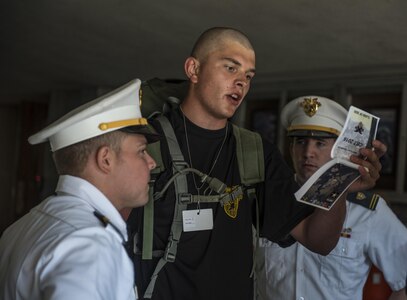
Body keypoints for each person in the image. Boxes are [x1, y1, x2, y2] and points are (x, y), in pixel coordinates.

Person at [126, 27, 386, 300]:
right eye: (230, 68)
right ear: (193, 69)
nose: (241, 83)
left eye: (248, 76)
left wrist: (341, 184)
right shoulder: (144, 143)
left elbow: (316, 239)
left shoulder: (255, 151)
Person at [0, 79, 158, 300]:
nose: (152, 163)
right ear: (106, 160)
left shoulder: (21, 228)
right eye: (141, 151)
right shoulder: (89, 244)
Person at [255, 96, 407, 300]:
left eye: (320, 143)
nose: (308, 152)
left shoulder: (367, 212)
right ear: (291, 148)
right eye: (300, 142)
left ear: (340, 150)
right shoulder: (266, 199)